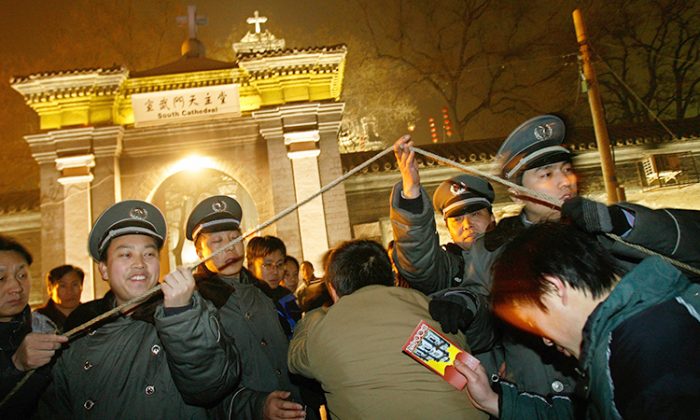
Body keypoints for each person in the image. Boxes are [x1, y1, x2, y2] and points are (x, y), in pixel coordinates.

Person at [444, 114, 700, 396]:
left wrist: (625, 224)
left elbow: (689, 251)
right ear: (517, 192)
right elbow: (486, 324)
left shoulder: (606, 228)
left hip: (619, 384)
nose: (565, 181)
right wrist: (466, 305)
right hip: (535, 396)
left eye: (566, 169)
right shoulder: (492, 248)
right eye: (547, 174)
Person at [456, 222, 700, 419]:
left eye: (533, 322)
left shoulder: (648, 362)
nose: (545, 340)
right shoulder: (633, 333)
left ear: (554, 288)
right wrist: (493, 400)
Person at [39, 200, 240, 419]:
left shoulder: (192, 311)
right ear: (104, 269)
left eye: (149, 254)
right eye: (126, 255)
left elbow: (210, 386)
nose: (140, 264)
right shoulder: (82, 326)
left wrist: (181, 316)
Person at [288, 239, 488, 419]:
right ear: (392, 278)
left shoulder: (323, 330)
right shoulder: (427, 306)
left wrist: (313, 317)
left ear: (331, 289)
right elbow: (463, 369)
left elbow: (295, 361)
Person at [185, 195, 309, 420]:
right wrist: (257, 406)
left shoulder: (265, 291)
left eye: (234, 238)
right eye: (217, 241)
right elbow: (204, 384)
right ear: (199, 252)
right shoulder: (195, 302)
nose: (230, 247)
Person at [390, 135, 498, 355]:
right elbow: (417, 261)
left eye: (475, 214)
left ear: (492, 219)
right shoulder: (448, 267)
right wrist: (411, 193)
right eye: (457, 219)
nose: (467, 224)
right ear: (448, 228)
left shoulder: (519, 254)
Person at [0, 235, 68, 418]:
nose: (16, 287)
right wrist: (16, 367)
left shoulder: (46, 329)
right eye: (1, 278)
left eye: (22, 275)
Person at [246, 235, 301, 335]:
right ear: (251, 266)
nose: (275, 271)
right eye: (268, 265)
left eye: (279, 264)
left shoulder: (287, 298)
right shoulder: (246, 301)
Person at [34, 264, 84, 332]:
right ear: (50, 289)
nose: (69, 291)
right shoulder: (38, 320)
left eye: (75, 284)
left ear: (81, 287)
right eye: (63, 286)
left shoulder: (92, 315)